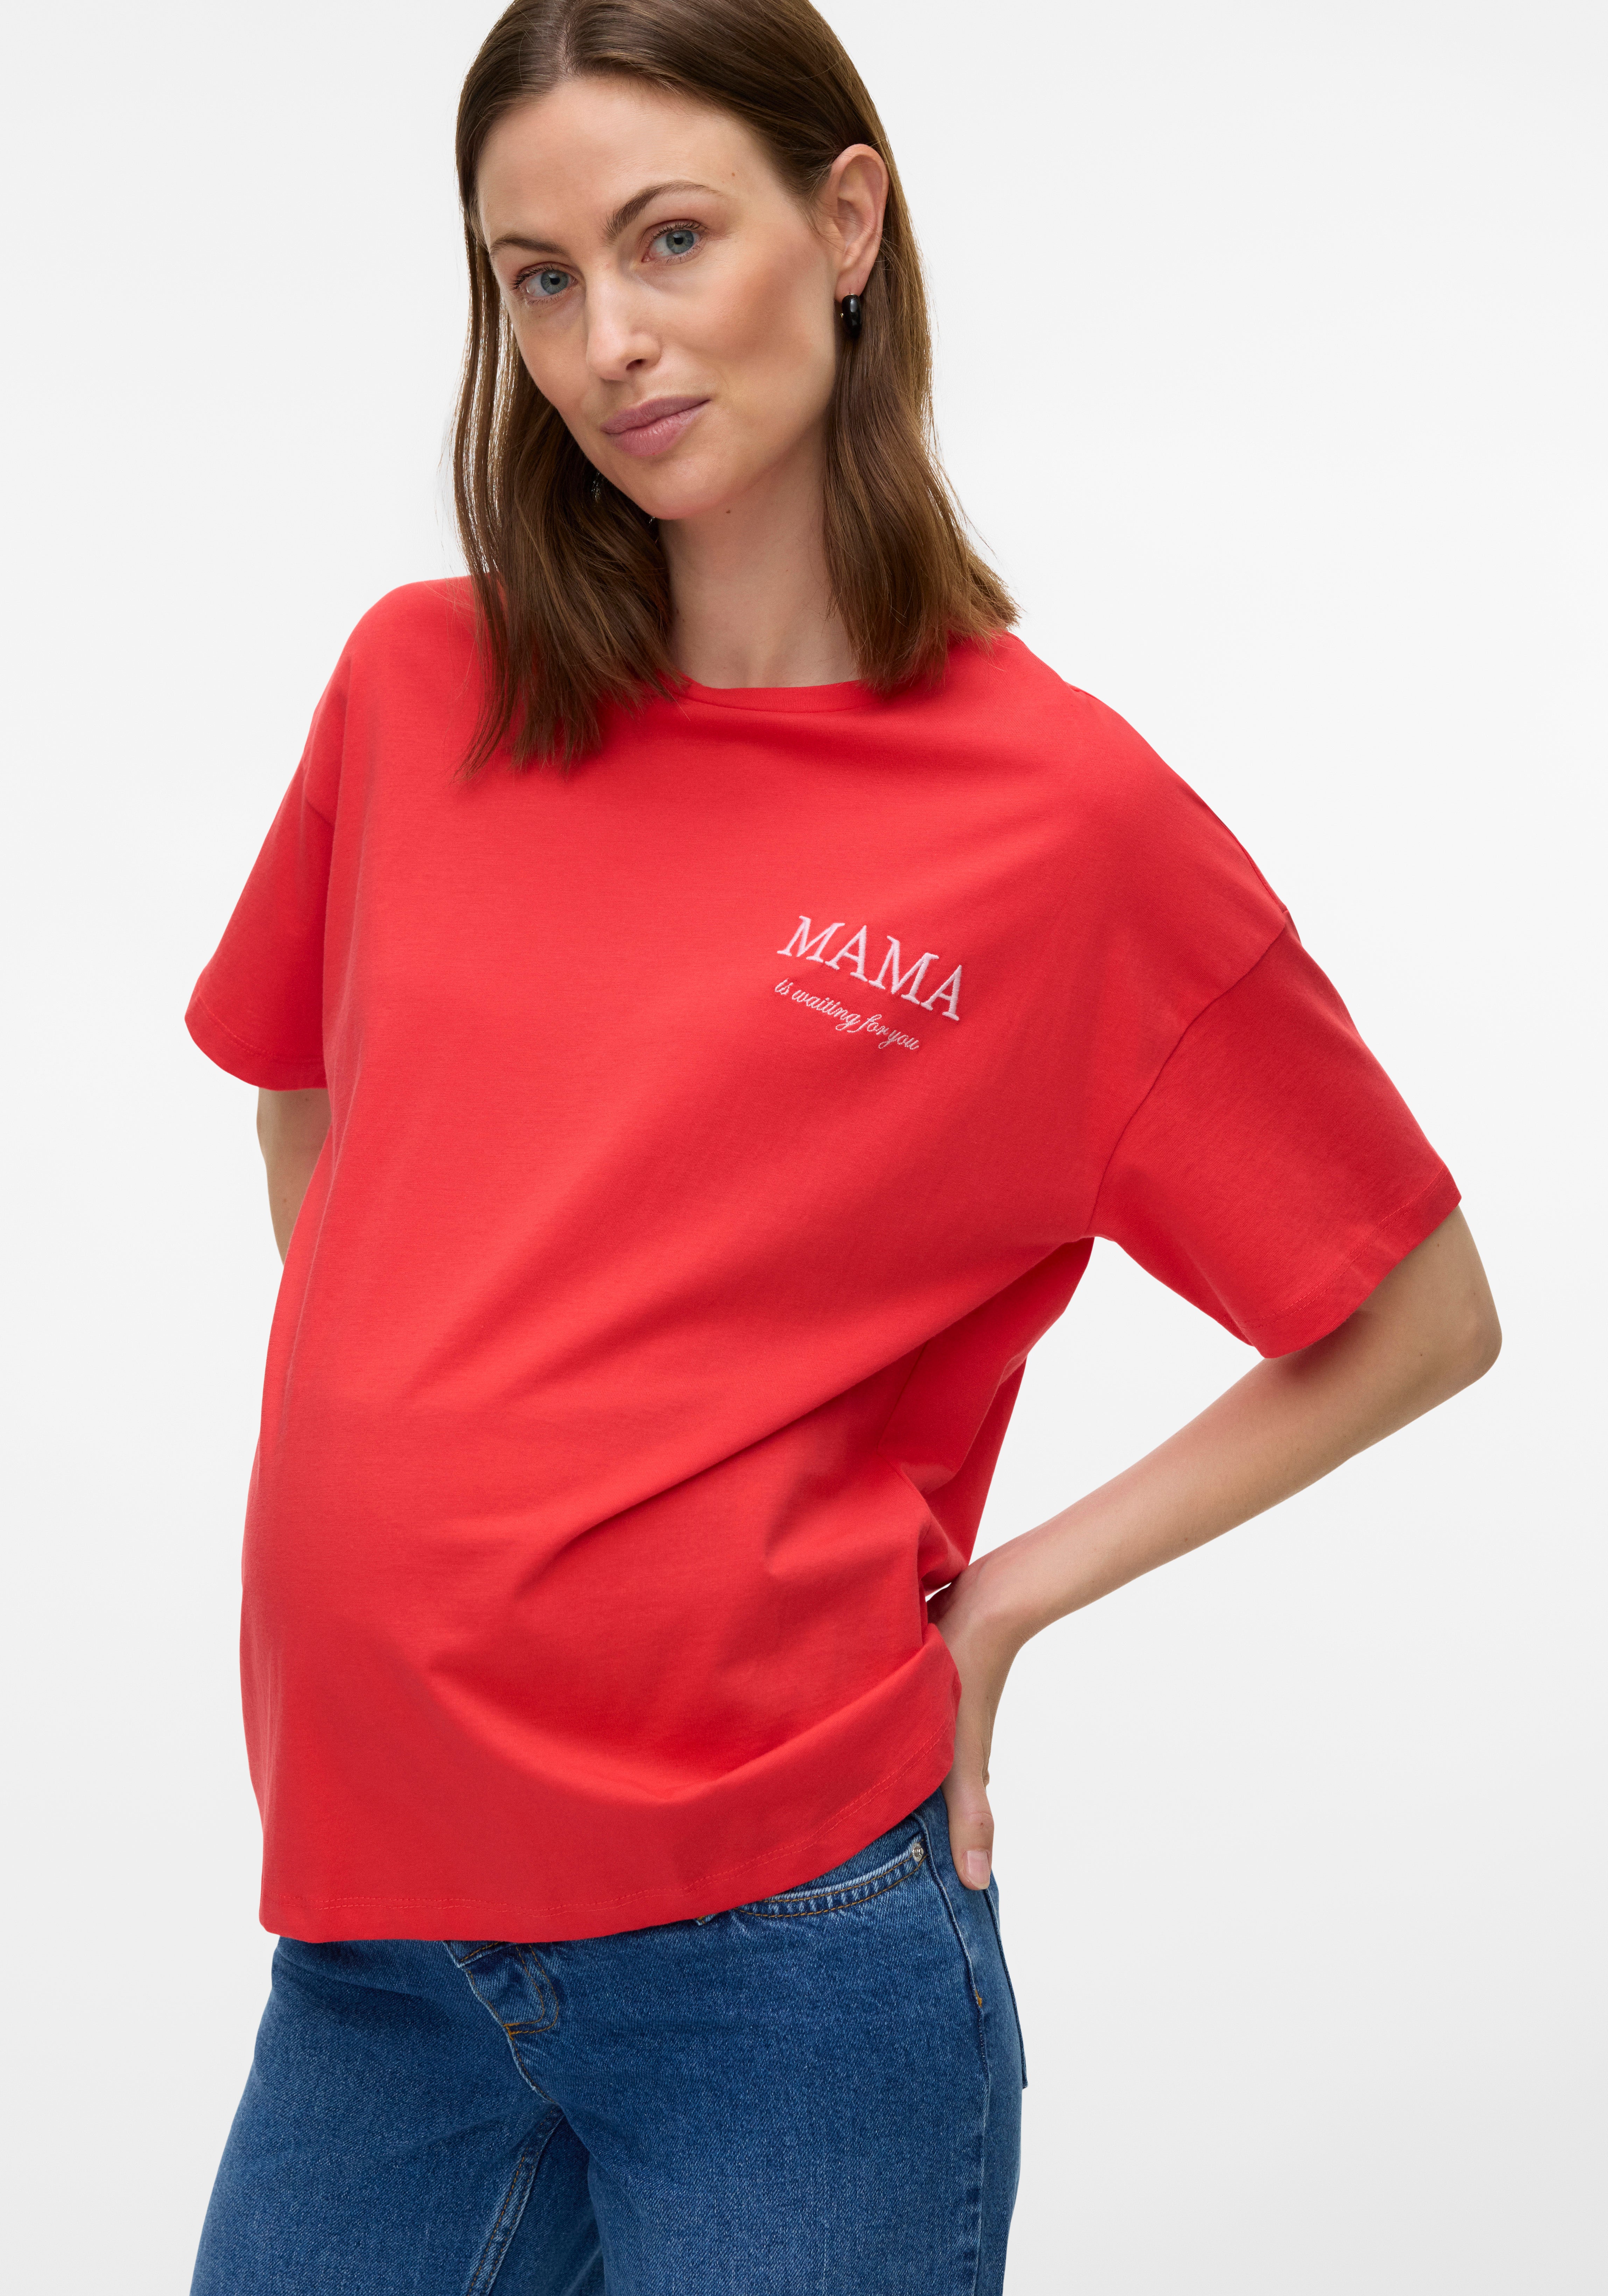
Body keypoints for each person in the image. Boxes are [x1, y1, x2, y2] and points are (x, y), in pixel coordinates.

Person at [183, 1, 1501, 2288]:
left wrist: (1009, 1603)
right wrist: (455, 1451)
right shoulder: (416, 688)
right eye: (538, 278)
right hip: (377, 1947)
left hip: (780, 1958)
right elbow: (303, 1079)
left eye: (669, 239)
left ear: (849, 221)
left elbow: (1417, 1309)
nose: (606, 339)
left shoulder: (1055, 822)